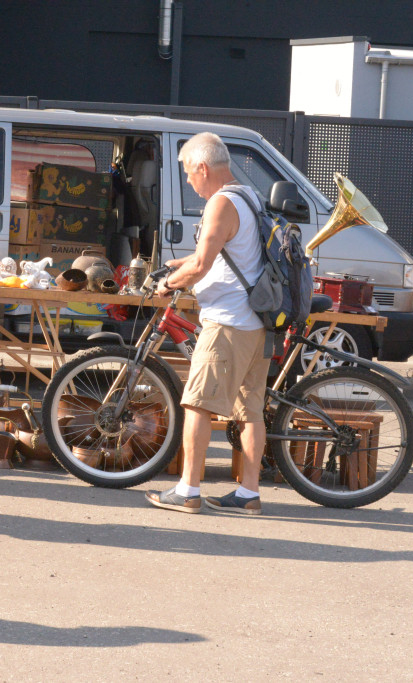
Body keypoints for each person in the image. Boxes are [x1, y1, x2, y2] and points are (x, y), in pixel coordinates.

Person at [145, 131, 268, 515]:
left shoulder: (221, 202)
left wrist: (168, 284)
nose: (187, 180)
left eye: (187, 172)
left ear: (202, 167)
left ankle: (188, 490)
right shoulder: (249, 196)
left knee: (197, 404)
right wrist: (174, 264)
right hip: (257, 324)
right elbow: (219, 253)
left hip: (228, 324)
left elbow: (202, 265)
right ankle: (248, 494)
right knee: (250, 410)